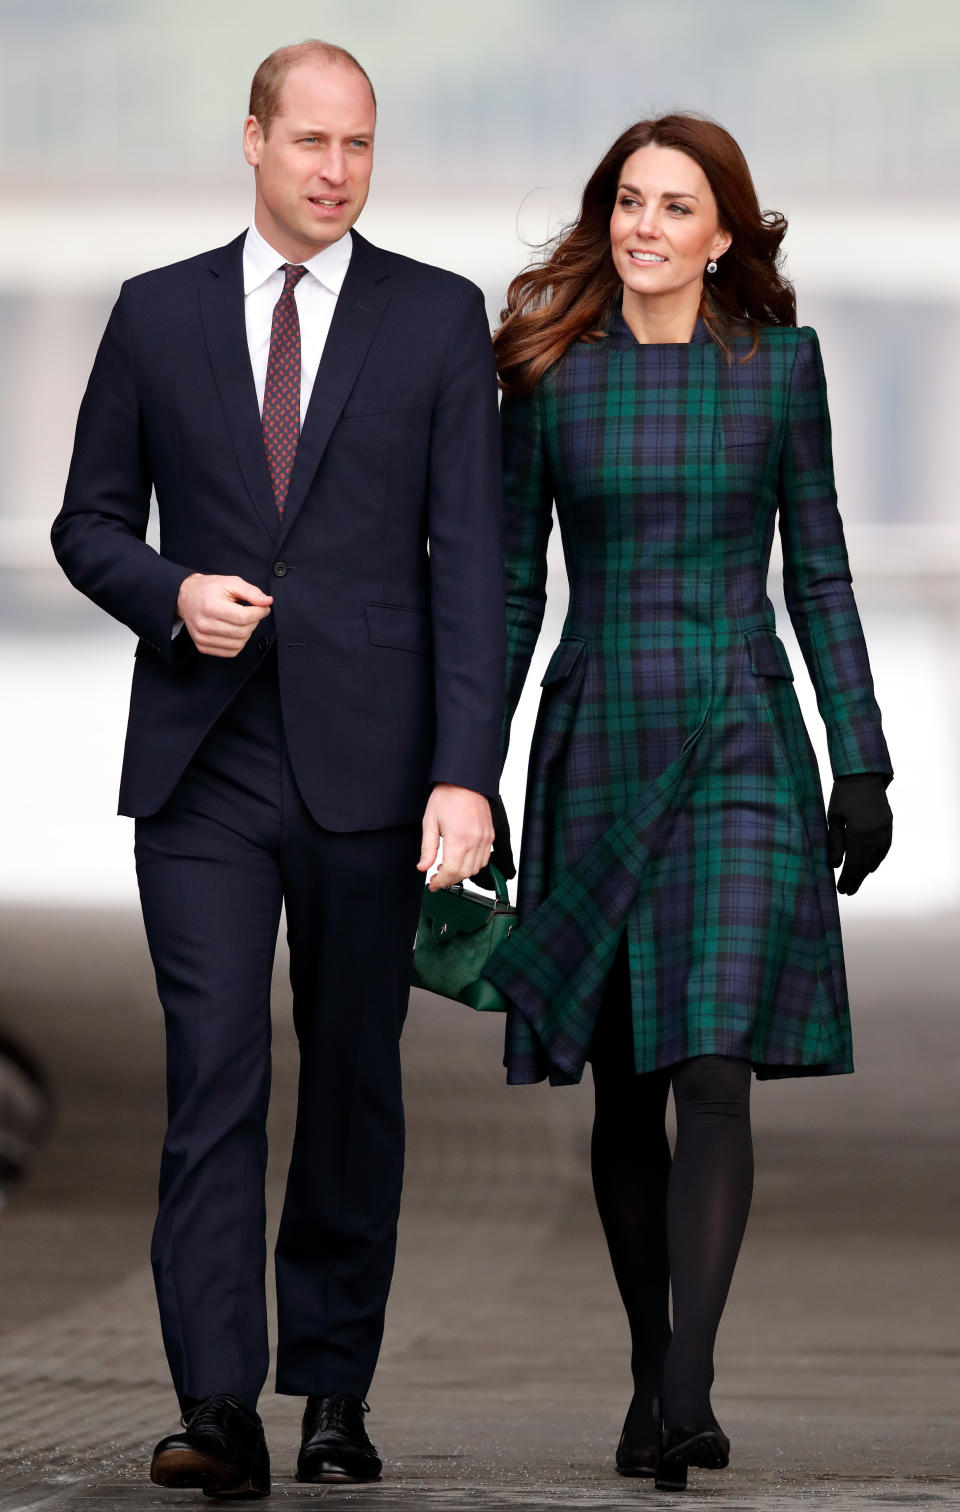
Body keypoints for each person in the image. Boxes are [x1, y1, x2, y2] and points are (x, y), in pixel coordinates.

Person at [52, 40, 504, 1498]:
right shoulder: (155, 315)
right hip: (202, 766)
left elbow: (475, 573)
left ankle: (333, 1392)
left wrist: (466, 771)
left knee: (356, 1085)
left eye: (359, 145)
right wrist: (171, 592)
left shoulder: (438, 321)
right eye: (309, 140)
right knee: (216, 1078)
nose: (335, 169)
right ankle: (216, 1405)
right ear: (251, 140)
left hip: (377, 775)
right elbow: (88, 522)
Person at [483, 114, 893, 1492]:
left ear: (725, 236)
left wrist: (865, 759)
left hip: (737, 736)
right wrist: (462, 770)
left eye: (677, 206)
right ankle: (650, 1364)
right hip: (597, 733)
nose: (646, 225)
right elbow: (510, 591)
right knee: (625, 1083)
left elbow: (822, 572)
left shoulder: (781, 372)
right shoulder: (549, 379)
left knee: (713, 1063)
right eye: (629, 203)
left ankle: (687, 1387)